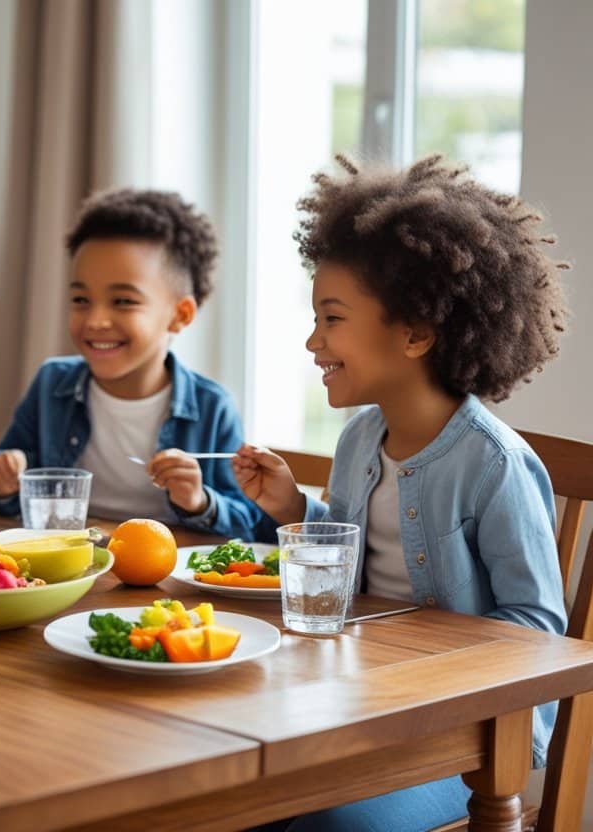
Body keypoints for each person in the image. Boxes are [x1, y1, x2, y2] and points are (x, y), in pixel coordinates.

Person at [234, 154, 569, 832]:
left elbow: (538, 631)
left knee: (324, 825)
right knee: (234, 799)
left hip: (465, 745)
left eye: (332, 319)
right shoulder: (361, 440)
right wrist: (296, 512)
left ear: (416, 332)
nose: (312, 340)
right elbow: (362, 554)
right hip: (359, 710)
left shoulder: (492, 464)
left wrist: (417, 664)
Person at [0, 189, 273, 541]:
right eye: (81, 299)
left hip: (167, 581)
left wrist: (200, 502)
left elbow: (249, 524)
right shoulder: (50, 385)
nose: (96, 320)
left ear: (180, 316)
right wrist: (1, 482)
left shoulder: (212, 407)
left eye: (123, 301)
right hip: (76, 571)